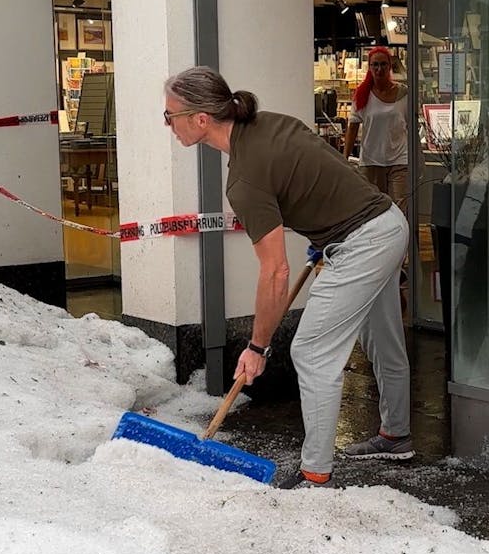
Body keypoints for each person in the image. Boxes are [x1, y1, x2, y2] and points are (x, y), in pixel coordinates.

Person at [163, 66, 413, 488]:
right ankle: (396, 435)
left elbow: (275, 271)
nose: (168, 125)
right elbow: (321, 172)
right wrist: (326, 230)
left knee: (312, 352)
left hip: (362, 243)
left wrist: (257, 346)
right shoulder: (269, 124)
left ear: (200, 119)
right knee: (382, 337)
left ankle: (316, 472)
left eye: (170, 116)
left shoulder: (244, 178)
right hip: (386, 223)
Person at [348, 46, 410, 214]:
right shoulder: (362, 95)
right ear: (370, 67)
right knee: (373, 211)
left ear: (390, 66)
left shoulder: (404, 94)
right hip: (371, 161)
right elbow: (353, 127)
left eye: (383, 64)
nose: (379, 69)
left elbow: (410, 126)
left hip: (398, 160)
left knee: (400, 210)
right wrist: (344, 158)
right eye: (375, 65)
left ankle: (404, 240)